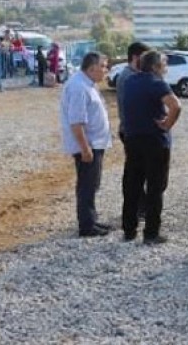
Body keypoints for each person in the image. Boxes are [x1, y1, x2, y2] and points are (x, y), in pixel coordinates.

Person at [121, 51, 182, 244]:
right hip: (155, 141)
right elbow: (176, 105)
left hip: (132, 139)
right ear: (156, 67)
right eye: (164, 63)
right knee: (155, 187)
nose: (166, 67)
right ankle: (151, 232)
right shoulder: (156, 82)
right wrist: (167, 125)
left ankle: (129, 230)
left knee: (132, 186)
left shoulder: (129, 81)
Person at [59, 52, 113, 238]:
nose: (106, 70)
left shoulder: (88, 84)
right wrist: (85, 148)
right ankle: (87, 226)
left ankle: (91, 220)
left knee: (92, 184)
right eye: (103, 66)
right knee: (87, 185)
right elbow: (76, 122)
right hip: (88, 145)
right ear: (92, 68)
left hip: (95, 143)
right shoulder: (78, 87)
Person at [118, 42, 151, 218]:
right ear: (136, 57)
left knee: (137, 169)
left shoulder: (133, 75)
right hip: (131, 131)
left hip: (132, 130)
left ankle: (140, 204)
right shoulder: (127, 77)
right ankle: (137, 206)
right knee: (134, 171)